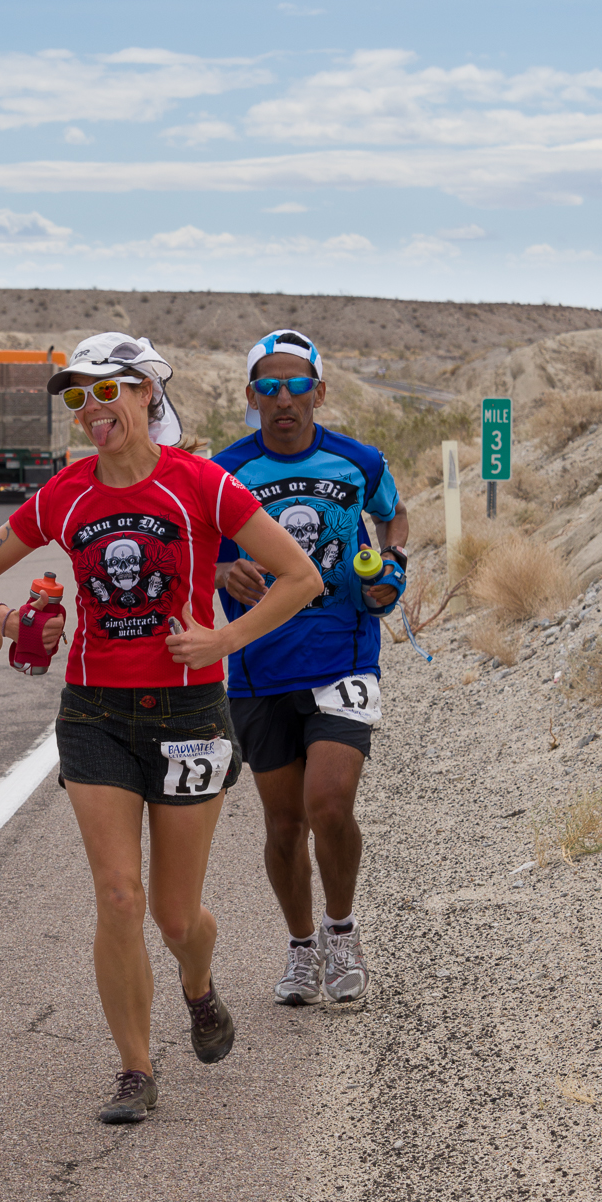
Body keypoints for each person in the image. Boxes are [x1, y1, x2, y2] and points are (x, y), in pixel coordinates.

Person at [0, 332, 321, 1124]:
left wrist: (225, 639)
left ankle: (197, 985)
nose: (92, 410)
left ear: (145, 394)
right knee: (119, 896)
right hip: (95, 711)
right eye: (76, 397)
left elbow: (302, 576)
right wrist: (10, 618)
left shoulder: (203, 484)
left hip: (193, 714)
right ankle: (134, 1069)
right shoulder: (65, 493)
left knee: (174, 915)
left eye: (107, 391)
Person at [212, 329, 409, 1007]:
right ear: (251, 398)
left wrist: (393, 568)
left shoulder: (359, 461)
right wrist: (220, 567)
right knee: (283, 824)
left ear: (320, 391)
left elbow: (396, 517)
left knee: (329, 802)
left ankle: (342, 930)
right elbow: (198, 548)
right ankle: (301, 948)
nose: (284, 398)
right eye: (269, 387)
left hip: (344, 650)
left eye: (297, 385)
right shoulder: (224, 470)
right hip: (260, 664)